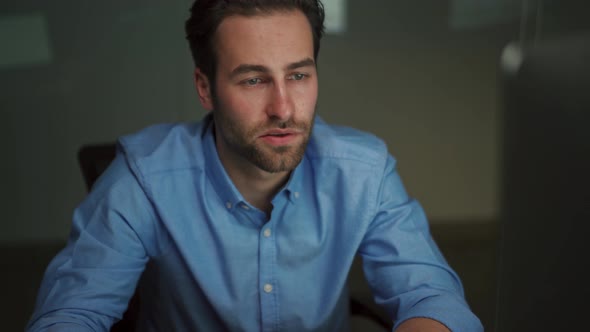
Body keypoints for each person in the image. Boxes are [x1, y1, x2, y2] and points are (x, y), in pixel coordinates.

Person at [27, 0, 482, 331]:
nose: (283, 108)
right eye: (253, 79)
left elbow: (432, 296)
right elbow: (70, 316)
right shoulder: (144, 178)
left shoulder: (363, 171)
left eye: (299, 75)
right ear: (205, 88)